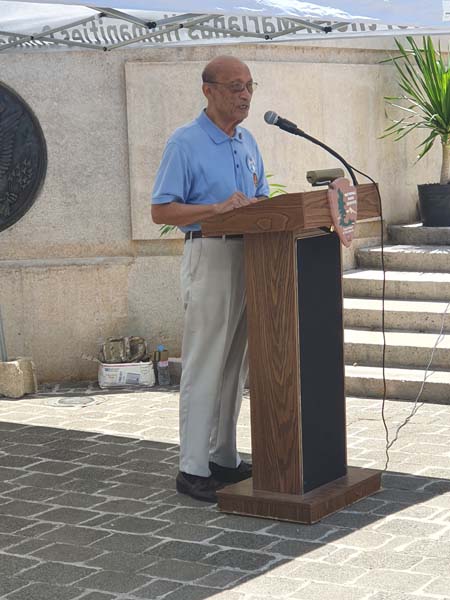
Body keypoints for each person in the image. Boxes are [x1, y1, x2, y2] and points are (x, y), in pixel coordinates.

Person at [151, 56, 269, 502]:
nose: (245, 95)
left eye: (249, 86)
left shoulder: (248, 141)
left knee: (235, 363)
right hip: (210, 252)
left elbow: (261, 198)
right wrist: (216, 209)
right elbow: (161, 210)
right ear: (208, 90)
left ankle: (224, 456)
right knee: (204, 364)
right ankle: (192, 467)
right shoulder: (184, 142)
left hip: (251, 255)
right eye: (235, 86)